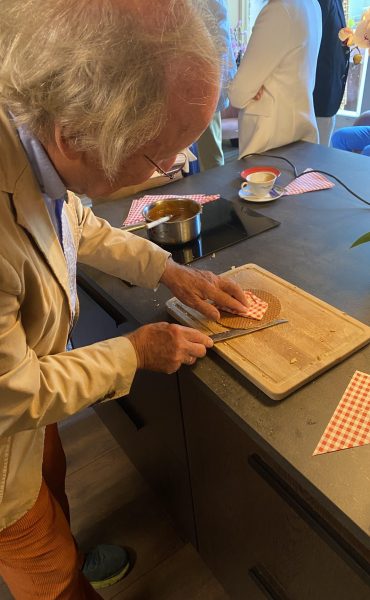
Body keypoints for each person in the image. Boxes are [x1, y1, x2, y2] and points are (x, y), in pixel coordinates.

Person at [0, 1, 249, 598]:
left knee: (49, 480)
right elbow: (13, 394)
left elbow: (76, 222)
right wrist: (135, 351)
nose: (173, 168)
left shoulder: (38, 140)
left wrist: (167, 270)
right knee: (49, 574)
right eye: (160, 158)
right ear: (75, 134)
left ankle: (64, 532)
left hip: (30, 429)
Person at [228, 0, 322, 158]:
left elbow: (238, 94)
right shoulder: (311, 4)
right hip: (299, 124)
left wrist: (247, 86)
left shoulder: (278, 10)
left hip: (270, 137)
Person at [196, 0, 237, 170]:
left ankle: (213, 194)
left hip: (205, 82)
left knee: (210, 155)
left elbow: (219, 38)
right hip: (205, 79)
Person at [314, 0, 350, 146]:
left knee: (321, 151)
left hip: (330, 95)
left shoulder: (337, 2)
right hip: (318, 95)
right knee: (315, 157)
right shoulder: (321, 2)